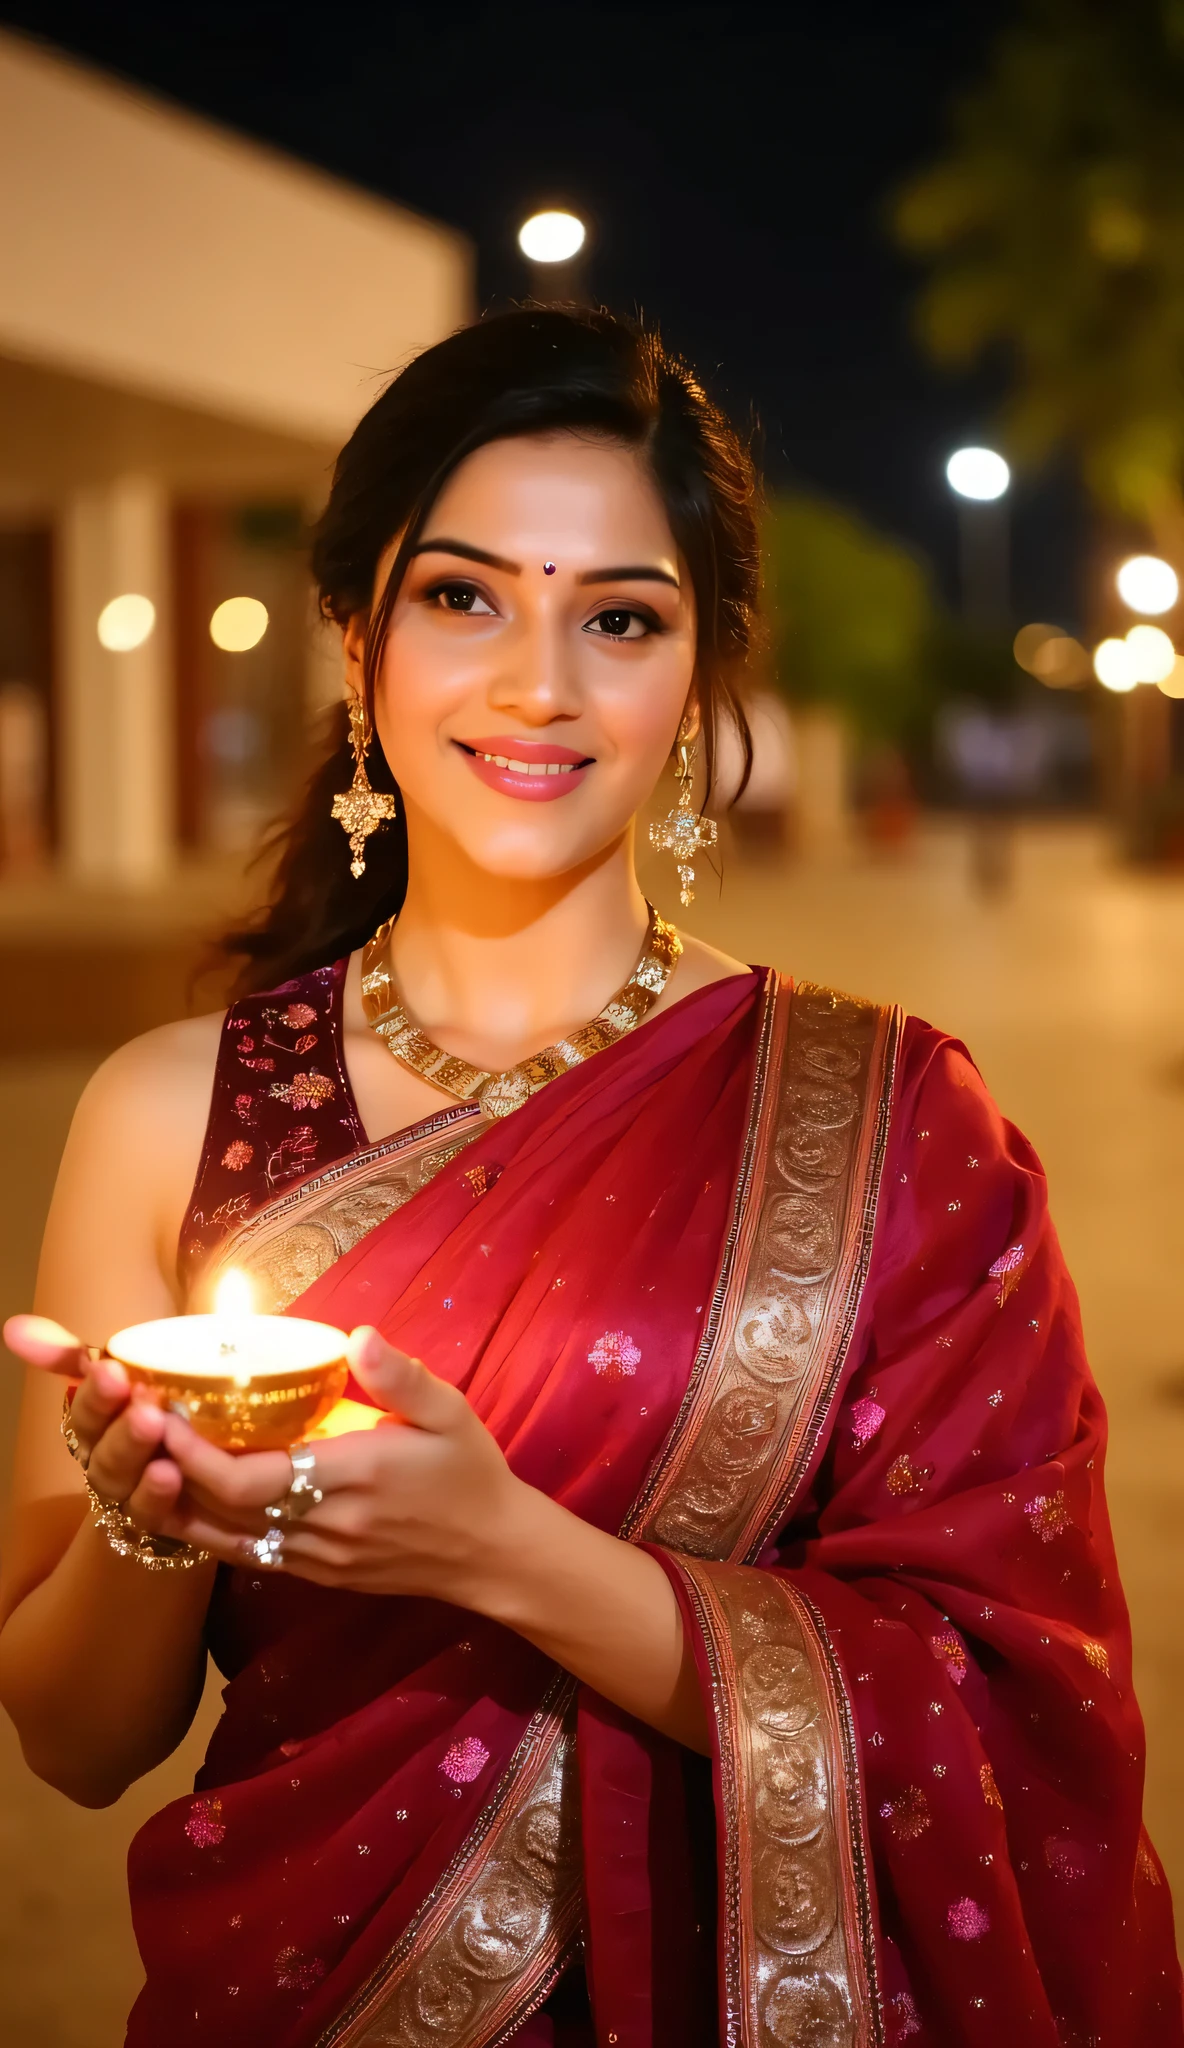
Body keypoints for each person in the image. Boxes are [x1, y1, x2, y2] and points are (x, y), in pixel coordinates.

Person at [0, 308, 1178, 2048]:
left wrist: (501, 1551)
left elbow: (1012, 1711)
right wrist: (154, 1511)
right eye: (461, 597)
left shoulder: (893, 1121)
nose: (538, 683)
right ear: (355, 639)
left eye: (619, 618)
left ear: (699, 676)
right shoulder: (174, 1110)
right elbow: (76, 1739)